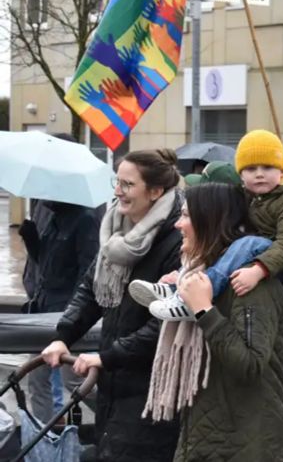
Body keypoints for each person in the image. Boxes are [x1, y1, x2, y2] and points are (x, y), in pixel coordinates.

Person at [41, 149, 184, 460]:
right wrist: (62, 336)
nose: (118, 191)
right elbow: (90, 290)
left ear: (156, 192)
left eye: (128, 184)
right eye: (116, 182)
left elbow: (166, 323)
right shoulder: (116, 230)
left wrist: (106, 357)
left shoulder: (178, 239)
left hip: (154, 385)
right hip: (114, 380)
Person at [145, 183, 283, 461]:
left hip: (245, 443)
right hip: (207, 436)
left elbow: (250, 364)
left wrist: (203, 311)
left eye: (186, 216)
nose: (178, 224)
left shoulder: (249, 285)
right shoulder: (204, 278)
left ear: (209, 221)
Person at [140, 130, 283, 320]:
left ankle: (199, 294)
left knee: (248, 243)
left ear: (282, 171)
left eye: (268, 167)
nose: (260, 174)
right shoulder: (254, 197)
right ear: (241, 175)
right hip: (273, 258)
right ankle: (177, 285)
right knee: (230, 239)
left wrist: (258, 271)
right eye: (251, 169)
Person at [18, 197, 99, 422]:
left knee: (74, 378)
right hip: (43, 311)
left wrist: (74, 313)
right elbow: (46, 266)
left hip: (67, 315)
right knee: (36, 377)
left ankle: (113, 415)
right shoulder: (53, 219)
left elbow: (88, 272)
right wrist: (32, 241)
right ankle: (44, 437)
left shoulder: (85, 221)